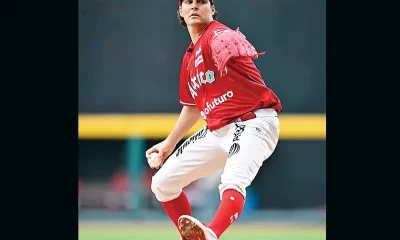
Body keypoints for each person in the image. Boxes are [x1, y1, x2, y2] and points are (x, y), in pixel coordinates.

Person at [145, 0, 282, 239]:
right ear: (180, 10)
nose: (195, 6)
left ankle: (211, 234)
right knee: (162, 183)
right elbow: (192, 109)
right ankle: (190, 237)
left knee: (232, 181)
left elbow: (229, 41)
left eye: (202, 2)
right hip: (217, 129)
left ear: (212, 8)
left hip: (253, 122)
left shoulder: (218, 36)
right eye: (189, 2)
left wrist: (227, 41)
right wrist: (168, 144)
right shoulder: (189, 59)